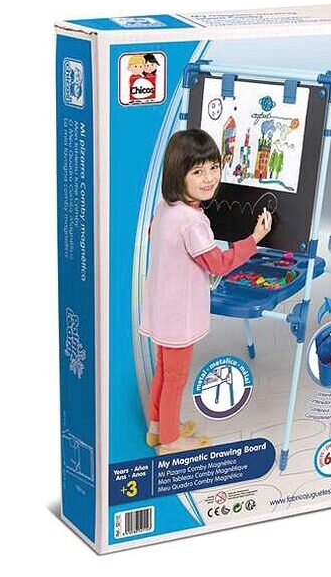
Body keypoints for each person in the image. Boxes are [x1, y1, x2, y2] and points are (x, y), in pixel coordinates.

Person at [139, 129, 272, 454]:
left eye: (214, 167)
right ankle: (170, 441)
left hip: (160, 306)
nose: (210, 178)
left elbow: (155, 236)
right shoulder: (192, 223)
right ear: (178, 174)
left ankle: (157, 427)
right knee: (176, 376)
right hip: (178, 313)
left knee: (164, 369)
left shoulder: (165, 207)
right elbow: (219, 264)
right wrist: (254, 239)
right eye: (198, 172)